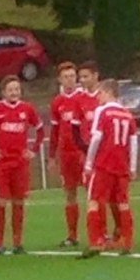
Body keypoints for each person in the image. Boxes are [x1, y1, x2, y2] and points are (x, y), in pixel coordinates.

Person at [0, 75, 45, 255]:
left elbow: (40, 130)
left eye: (17, 89)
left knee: (18, 201)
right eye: (10, 90)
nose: (14, 92)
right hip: (2, 162)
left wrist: (34, 149)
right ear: (3, 92)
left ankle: (17, 242)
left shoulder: (27, 108)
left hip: (20, 163)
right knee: (0, 201)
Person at [80, 79, 138, 258]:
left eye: (100, 93)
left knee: (94, 201)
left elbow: (97, 137)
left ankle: (95, 241)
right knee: (123, 203)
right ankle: (127, 242)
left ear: (108, 92)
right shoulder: (127, 114)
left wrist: (89, 163)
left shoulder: (102, 111)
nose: (98, 97)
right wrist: (133, 167)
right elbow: (133, 142)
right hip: (122, 165)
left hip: (104, 164)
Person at [76, 60, 121, 242]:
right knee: (95, 193)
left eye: (86, 76)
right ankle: (101, 233)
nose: (82, 80)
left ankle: (118, 230)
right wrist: (85, 150)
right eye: (81, 77)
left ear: (96, 75)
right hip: (91, 153)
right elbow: (75, 128)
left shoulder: (107, 99)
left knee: (114, 195)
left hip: (108, 154)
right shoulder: (79, 99)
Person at [49, 62, 86, 247]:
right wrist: (52, 156)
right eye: (66, 77)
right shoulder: (57, 102)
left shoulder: (84, 98)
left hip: (83, 153)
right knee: (70, 193)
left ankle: (100, 233)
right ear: (60, 80)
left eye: (72, 76)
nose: (69, 80)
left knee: (93, 192)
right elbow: (54, 131)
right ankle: (72, 235)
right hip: (66, 154)